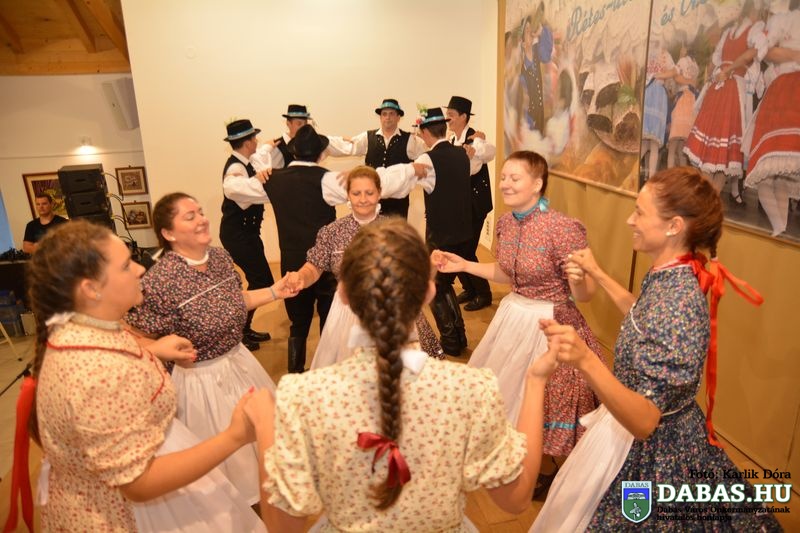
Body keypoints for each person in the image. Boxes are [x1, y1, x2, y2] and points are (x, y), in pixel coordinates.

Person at [243, 218, 558, 532]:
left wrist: (267, 428)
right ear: (428, 292)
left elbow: (284, 527)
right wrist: (535, 382)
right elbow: (517, 499)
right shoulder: (471, 388)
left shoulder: (303, 396)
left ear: (343, 293)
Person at [532, 167, 780, 532]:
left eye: (640, 212)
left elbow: (646, 421)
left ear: (673, 226)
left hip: (656, 450)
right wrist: (598, 273)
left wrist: (585, 359)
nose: (630, 220)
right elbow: (643, 317)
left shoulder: (678, 300)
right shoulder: (668, 272)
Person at [19, 220, 264, 532]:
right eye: (125, 266)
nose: (139, 270)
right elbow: (140, 483)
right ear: (91, 289)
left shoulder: (84, 327)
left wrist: (154, 350)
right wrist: (236, 435)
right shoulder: (98, 374)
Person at [434, 150, 603, 497]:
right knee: (509, 394)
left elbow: (584, 294)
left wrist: (579, 280)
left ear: (537, 184)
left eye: (514, 178)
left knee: (548, 401)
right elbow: (506, 273)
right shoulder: (506, 222)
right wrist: (463, 265)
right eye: (503, 177)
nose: (505, 184)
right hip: (513, 316)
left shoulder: (563, 228)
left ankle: (558, 474)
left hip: (551, 323)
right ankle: (530, 466)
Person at [126, 193, 291, 506]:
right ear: (168, 233)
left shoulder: (220, 257)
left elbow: (235, 301)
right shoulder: (160, 279)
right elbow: (135, 335)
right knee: (227, 471)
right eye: (190, 216)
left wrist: (274, 291)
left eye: (200, 212)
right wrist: (159, 348)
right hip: (199, 383)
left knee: (265, 452)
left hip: (241, 364)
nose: (202, 219)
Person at [284, 165, 444, 369]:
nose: (362, 199)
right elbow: (314, 266)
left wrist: (431, 264)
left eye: (369, 193)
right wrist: (300, 277)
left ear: (379, 193)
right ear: (347, 195)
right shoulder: (332, 231)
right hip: (347, 310)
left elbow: (412, 271)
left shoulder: (394, 229)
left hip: (392, 307)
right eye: (356, 193)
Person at [683, 0, 766, 201]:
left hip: (733, 89)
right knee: (709, 151)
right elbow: (715, 60)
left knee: (724, 152)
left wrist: (727, 70)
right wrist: (711, 79)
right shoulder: (729, 32)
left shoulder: (755, 28)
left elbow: (752, 54)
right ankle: (708, 199)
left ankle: (710, 200)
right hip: (719, 88)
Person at [411, 107, 474, 356]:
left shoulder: (427, 160)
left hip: (441, 236)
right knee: (446, 284)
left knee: (435, 286)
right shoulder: (462, 154)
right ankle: (459, 337)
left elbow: (408, 181)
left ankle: (450, 341)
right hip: (464, 232)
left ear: (425, 132)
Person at [744, 0, 800, 237]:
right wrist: (793, 54)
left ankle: (780, 227)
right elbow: (766, 50)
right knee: (774, 176)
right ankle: (781, 227)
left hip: (785, 91)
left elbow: (767, 49)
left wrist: (787, 54)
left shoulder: (782, 20)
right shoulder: (783, 20)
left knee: (773, 176)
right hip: (784, 90)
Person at [219, 118, 275, 351]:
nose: (257, 141)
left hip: (246, 234)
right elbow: (233, 187)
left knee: (261, 279)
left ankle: (244, 328)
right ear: (247, 142)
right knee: (261, 280)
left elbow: (262, 155)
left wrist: (270, 146)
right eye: (254, 137)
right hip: (237, 234)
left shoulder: (246, 162)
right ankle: (239, 331)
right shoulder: (236, 169)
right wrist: (258, 181)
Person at [327, 98, 428, 218]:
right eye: (384, 114)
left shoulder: (411, 140)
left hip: (398, 205)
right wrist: (321, 141)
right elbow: (346, 147)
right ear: (380, 117)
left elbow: (427, 160)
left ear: (398, 117)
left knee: (396, 230)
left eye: (391, 114)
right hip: (370, 203)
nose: (387, 117)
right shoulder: (367, 137)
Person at [445, 95, 495, 311]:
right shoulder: (451, 140)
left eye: (451, 115)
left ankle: (483, 293)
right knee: (459, 248)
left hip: (475, 204)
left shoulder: (475, 138)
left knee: (466, 249)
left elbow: (488, 153)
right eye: (447, 115)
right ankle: (470, 288)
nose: (447, 119)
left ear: (463, 116)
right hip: (461, 205)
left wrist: (476, 149)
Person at [259, 104, 313, 169]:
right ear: (288, 123)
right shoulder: (277, 148)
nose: (303, 127)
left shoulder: (307, 145)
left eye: (305, 124)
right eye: (299, 124)